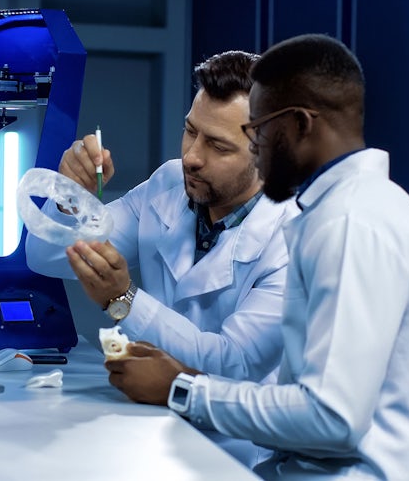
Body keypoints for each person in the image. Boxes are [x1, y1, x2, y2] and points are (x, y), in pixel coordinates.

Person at [105, 33, 409, 480]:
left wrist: (183, 389)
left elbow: (333, 419)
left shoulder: (351, 225)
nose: (253, 150)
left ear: (299, 125)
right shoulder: (353, 210)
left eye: (257, 130)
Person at [25, 50, 297, 466]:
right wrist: (70, 197)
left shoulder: (293, 238)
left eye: (218, 146)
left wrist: (125, 299)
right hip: (150, 426)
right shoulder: (170, 184)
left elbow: (231, 364)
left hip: (239, 453)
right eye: (191, 132)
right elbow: (45, 257)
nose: (192, 155)